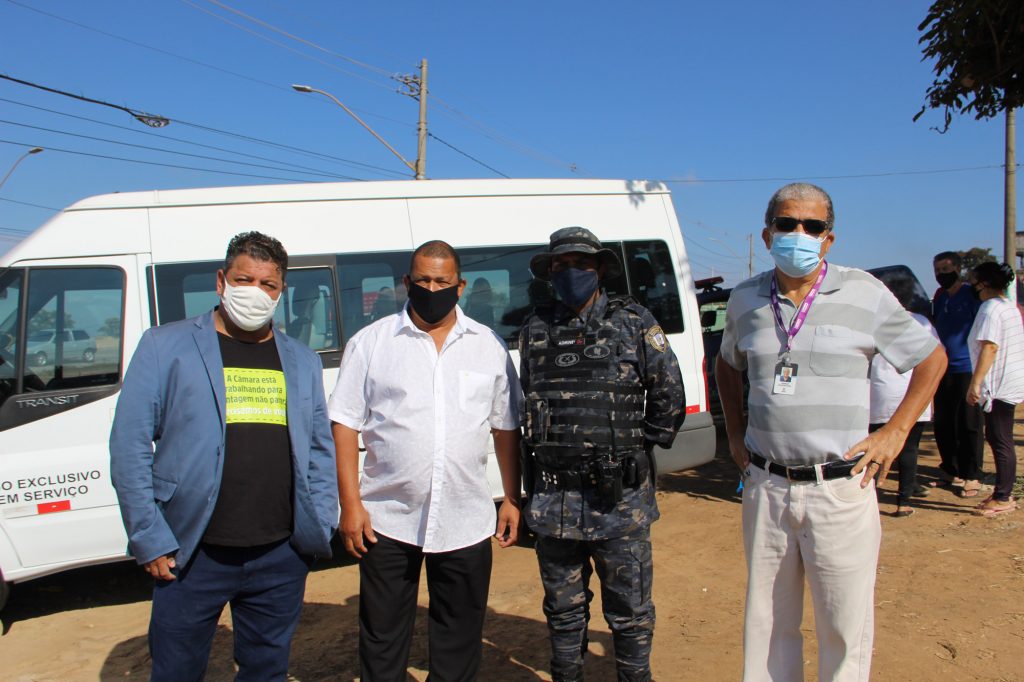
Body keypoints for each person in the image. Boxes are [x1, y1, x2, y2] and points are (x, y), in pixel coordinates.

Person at [716, 183, 946, 681]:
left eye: (812, 226)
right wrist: (734, 433)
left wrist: (895, 432)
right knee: (767, 623)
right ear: (767, 234)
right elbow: (726, 364)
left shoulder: (865, 292)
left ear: (829, 238)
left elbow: (932, 358)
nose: (799, 233)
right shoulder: (745, 298)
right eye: (787, 224)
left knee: (844, 625)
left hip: (840, 487)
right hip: (766, 486)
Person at [109, 232, 339, 681]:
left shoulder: (301, 359)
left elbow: (318, 448)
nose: (255, 292)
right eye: (244, 279)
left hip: (280, 555)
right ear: (221, 281)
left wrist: (321, 520)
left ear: (281, 291)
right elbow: (128, 446)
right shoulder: (163, 346)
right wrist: (149, 536)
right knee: (176, 671)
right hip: (191, 553)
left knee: (266, 670)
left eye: (268, 284)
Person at [329, 240, 522, 681]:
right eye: (423, 280)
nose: (432, 289)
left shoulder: (487, 346)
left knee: (460, 635)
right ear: (406, 282)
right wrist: (351, 504)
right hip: (387, 519)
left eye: (442, 281)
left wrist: (511, 498)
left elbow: (505, 427)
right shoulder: (371, 344)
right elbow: (345, 424)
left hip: (465, 517)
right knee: (382, 638)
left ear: (460, 286)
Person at [519, 226, 684, 682]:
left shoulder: (635, 322)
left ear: (599, 269)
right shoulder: (535, 328)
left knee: (630, 614)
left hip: (620, 503)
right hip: (554, 501)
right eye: (562, 265)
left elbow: (669, 396)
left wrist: (633, 451)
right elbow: (528, 399)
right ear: (550, 272)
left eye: (581, 264)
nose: (571, 272)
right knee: (563, 611)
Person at [869, 277, 940, 517]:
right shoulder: (921, 322)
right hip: (914, 396)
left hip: (880, 395)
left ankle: (870, 498)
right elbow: (936, 358)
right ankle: (904, 502)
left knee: (873, 450)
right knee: (909, 450)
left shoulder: (872, 321)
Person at [966, 261, 1024, 517]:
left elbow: (989, 347)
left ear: (984, 284)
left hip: (999, 383)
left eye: (974, 281)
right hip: (1009, 380)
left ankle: (1003, 496)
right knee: (999, 436)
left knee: (1000, 438)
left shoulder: (990, 308)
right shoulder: (1008, 307)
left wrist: (976, 382)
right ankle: (1002, 491)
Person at [932, 251, 984, 496]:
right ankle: (949, 469)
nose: (941, 274)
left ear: (958, 269)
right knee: (943, 422)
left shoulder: (971, 295)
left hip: (967, 368)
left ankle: (972, 474)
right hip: (942, 369)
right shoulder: (940, 296)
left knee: (968, 423)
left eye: (945, 269)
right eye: (937, 270)